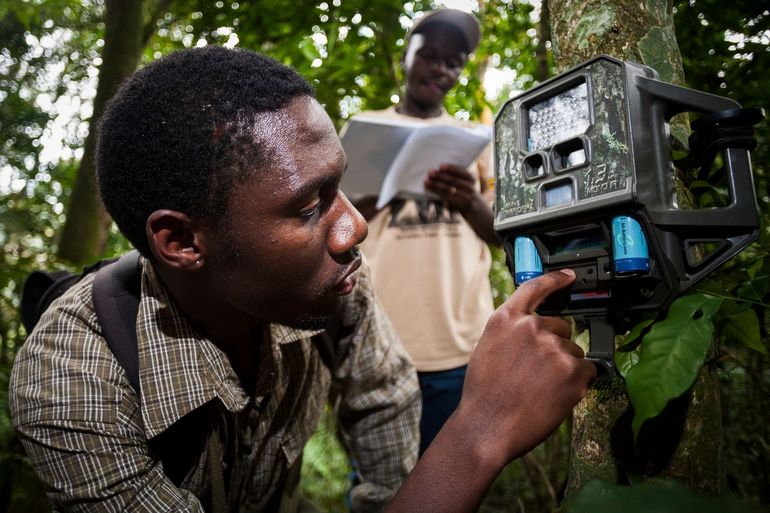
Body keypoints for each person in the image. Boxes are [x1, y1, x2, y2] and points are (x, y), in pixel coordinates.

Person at [10, 46, 595, 513]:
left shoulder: (334, 284)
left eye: (338, 185)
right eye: (309, 205)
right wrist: (479, 436)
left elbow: (384, 399)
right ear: (184, 242)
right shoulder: (70, 381)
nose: (356, 227)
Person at [349, 8, 501, 453]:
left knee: (451, 474)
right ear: (406, 56)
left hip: (461, 347)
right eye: (430, 54)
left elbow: (501, 233)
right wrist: (386, 187)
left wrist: (467, 199)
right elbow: (333, 229)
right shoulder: (365, 131)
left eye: (453, 61)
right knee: (380, 484)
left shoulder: (476, 139)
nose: (440, 68)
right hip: (379, 344)